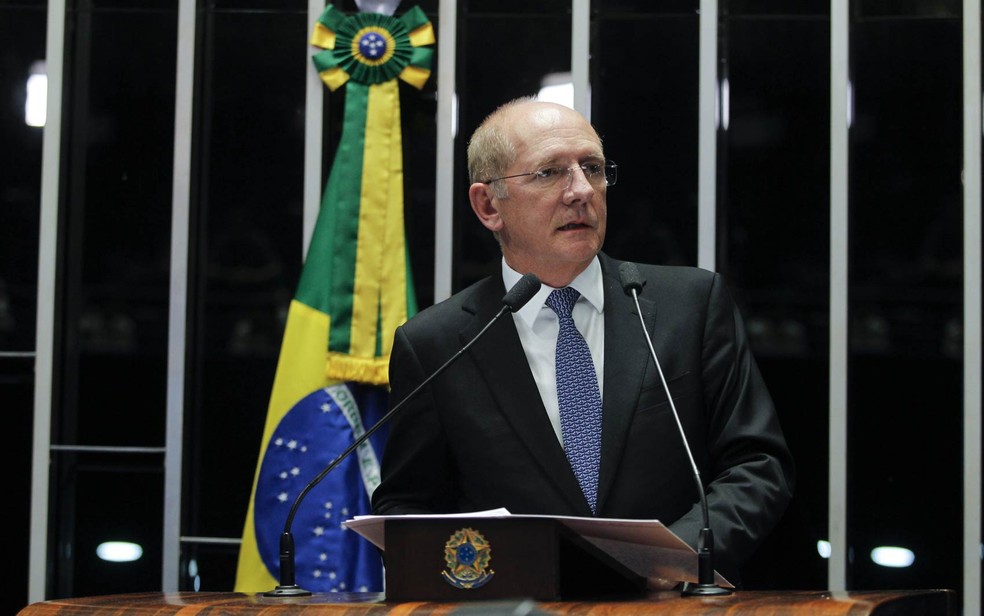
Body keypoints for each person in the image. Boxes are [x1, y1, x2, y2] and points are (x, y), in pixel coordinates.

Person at [370, 96, 794, 584]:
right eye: (549, 173)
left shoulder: (691, 305)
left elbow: (757, 464)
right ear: (489, 206)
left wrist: (672, 558)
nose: (580, 191)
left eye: (591, 168)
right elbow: (410, 504)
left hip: (672, 603)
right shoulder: (436, 344)